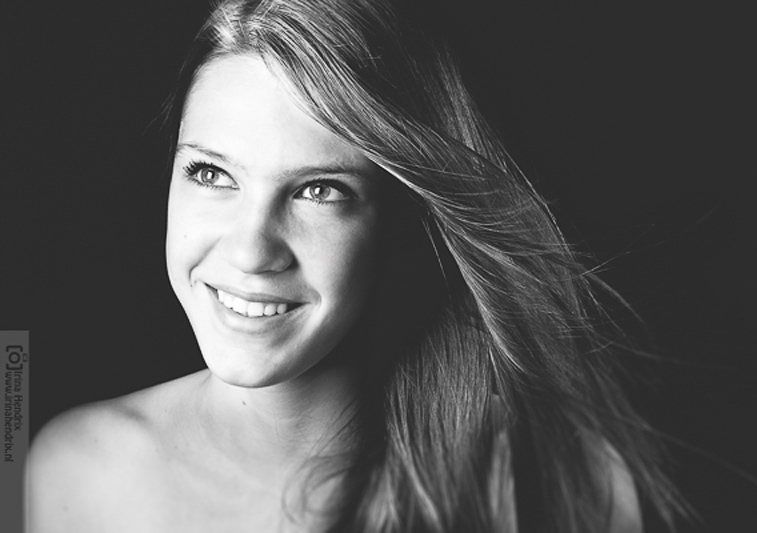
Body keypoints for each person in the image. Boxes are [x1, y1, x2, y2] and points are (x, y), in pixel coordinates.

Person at [26, 0, 684, 531]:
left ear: (403, 219)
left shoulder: (561, 488)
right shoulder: (67, 475)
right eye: (211, 173)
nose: (251, 250)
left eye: (319, 190)